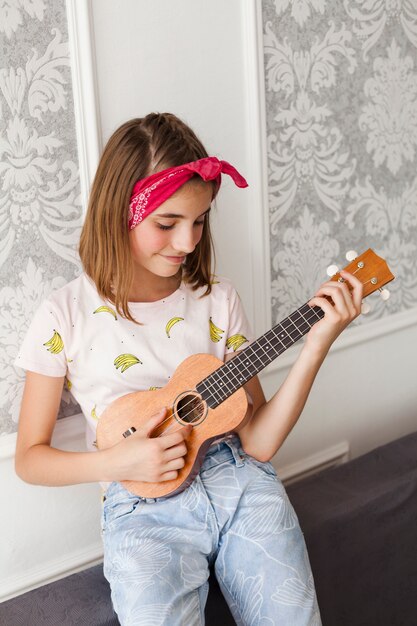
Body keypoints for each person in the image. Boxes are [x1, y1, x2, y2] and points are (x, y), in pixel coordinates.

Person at [14, 112, 362, 626]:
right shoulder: (63, 315)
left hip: (239, 482)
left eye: (199, 221)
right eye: (167, 223)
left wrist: (317, 344)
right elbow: (29, 459)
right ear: (119, 213)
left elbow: (259, 442)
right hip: (142, 507)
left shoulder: (217, 301)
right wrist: (117, 464)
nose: (187, 242)